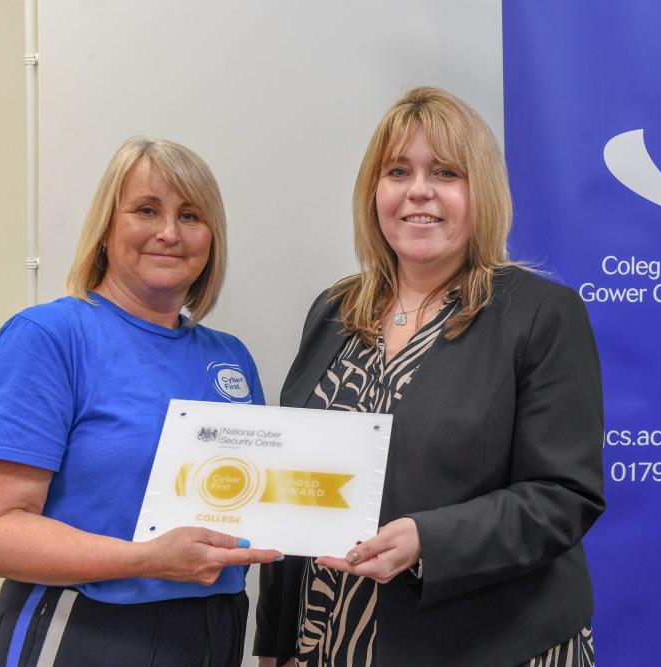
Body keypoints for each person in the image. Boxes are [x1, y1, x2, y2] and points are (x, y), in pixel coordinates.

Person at [256, 87, 604, 666]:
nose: (419, 190)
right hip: (331, 642)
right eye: (398, 171)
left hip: (493, 645)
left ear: (480, 191)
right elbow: (292, 486)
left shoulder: (541, 314)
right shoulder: (334, 309)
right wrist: (275, 645)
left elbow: (563, 496)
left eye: (445, 172)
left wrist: (428, 541)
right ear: (374, 191)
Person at [0, 137, 282, 667]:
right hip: (83, 628)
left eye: (190, 216)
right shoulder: (48, 338)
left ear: (212, 238)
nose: (169, 232)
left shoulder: (230, 358)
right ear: (106, 228)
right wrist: (147, 559)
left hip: (214, 630)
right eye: (146, 210)